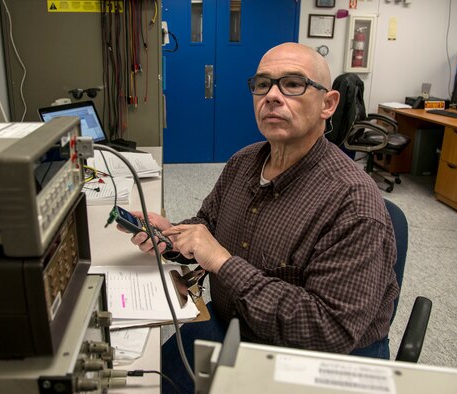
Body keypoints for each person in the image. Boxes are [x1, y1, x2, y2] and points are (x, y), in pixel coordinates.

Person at [119, 42, 399, 392]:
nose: (272, 96)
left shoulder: (353, 204)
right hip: (230, 323)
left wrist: (223, 262)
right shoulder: (244, 161)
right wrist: (173, 235)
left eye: (293, 84)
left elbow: (328, 332)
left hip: (309, 361)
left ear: (327, 104)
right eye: (263, 84)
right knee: (139, 383)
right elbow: (209, 225)